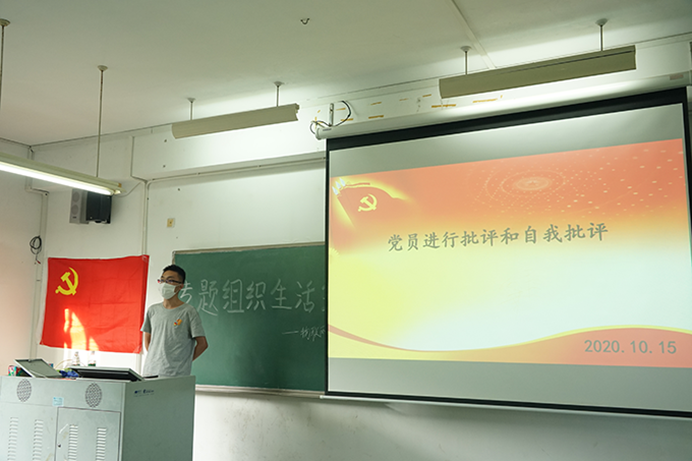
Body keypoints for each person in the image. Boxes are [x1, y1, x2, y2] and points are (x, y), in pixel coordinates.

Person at [141, 264, 208, 377]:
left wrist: (183, 362)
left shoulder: (188, 312)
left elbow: (202, 344)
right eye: (162, 280)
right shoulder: (153, 310)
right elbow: (148, 341)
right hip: (150, 371)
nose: (164, 284)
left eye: (170, 280)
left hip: (176, 374)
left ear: (180, 286)